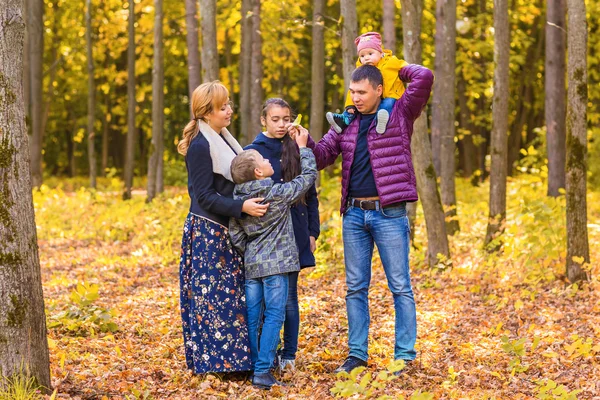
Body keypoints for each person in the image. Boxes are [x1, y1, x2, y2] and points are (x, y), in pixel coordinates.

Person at [291, 64, 434, 374]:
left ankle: (404, 357)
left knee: (400, 287)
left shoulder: (398, 113)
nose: (355, 97)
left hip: (389, 213)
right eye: (352, 91)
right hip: (354, 215)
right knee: (355, 288)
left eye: (362, 92)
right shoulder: (347, 122)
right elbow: (323, 156)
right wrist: (305, 144)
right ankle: (356, 355)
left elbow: (424, 77)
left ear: (379, 90)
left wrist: (391, 64)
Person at [177, 81, 268, 375]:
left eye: (229, 104)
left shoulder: (225, 140)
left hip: (227, 229)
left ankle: (237, 361)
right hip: (208, 231)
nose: (229, 110)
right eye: (223, 107)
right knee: (213, 300)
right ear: (206, 113)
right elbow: (202, 195)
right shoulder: (200, 146)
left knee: (232, 296)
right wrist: (241, 207)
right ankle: (216, 364)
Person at [228, 129, 317, 390]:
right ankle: (263, 370)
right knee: (275, 315)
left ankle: (255, 365)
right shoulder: (276, 193)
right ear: (258, 172)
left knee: (253, 316)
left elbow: (236, 234)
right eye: (264, 161)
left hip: (253, 266)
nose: (269, 162)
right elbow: (308, 178)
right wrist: (305, 149)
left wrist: (251, 252)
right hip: (277, 267)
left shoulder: (239, 200)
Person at [244, 98, 320, 372]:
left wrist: (313, 231)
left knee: (289, 297)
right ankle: (267, 354)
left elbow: (309, 193)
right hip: (265, 238)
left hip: (296, 232)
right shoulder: (253, 152)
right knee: (263, 300)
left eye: (286, 119)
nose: (282, 124)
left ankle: (289, 354)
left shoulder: (296, 147)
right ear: (264, 120)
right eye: (275, 119)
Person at [326, 31, 407, 135]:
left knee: (386, 106)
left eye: (370, 54)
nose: (366, 58)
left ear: (380, 52)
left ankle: (380, 122)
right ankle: (343, 120)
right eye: (362, 56)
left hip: (390, 95)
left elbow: (405, 66)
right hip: (370, 99)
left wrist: (411, 73)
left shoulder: (391, 62)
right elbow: (354, 91)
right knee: (355, 96)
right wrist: (350, 105)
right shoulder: (361, 69)